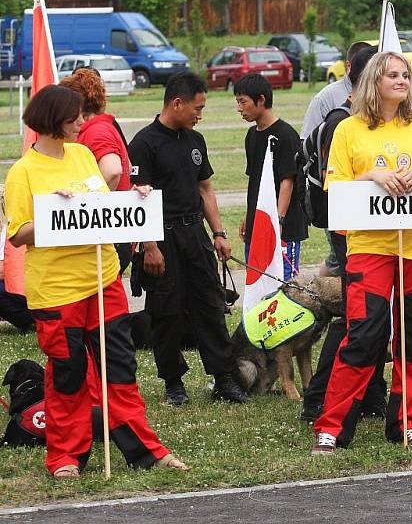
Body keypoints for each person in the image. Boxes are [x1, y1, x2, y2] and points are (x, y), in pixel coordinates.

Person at [4, 84, 187, 477]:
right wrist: (55, 211)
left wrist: (133, 199)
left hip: (103, 281)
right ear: (53, 122)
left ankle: (146, 451)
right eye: (75, 118)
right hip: (56, 290)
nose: (83, 123)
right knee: (67, 377)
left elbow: (101, 208)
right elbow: (18, 234)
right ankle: (65, 457)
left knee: (120, 371)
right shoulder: (24, 172)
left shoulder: (84, 154)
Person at [311, 51, 412, 454]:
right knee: (365, 335)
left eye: (405, 74)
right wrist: (370, 175)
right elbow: (334, 188)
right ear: (374, 80)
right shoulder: (348, 130)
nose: (401, 80)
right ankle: (333, 425)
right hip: (370, 247)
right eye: (392, 74)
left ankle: (405, 420)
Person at [128, 72, 247, 407]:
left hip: (194, 233)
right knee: (167, 312)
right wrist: (149, 247)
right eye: (197, 107)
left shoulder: (195, 141)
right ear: (176, 103)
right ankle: (173, 383)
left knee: (210, 304)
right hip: (161, 236)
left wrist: (219, 233)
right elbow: (138, 200)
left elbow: (205, 188)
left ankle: (224, 377)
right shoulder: (144, 143)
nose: (200, 114)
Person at [300, 45, 387, 424]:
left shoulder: (372, 120)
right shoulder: (342, 122)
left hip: (379, 230)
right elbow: (334, 183)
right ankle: (319, 398)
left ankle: (370, 393)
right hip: (353, 233)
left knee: (371, 318)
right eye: (389, 76)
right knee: (358, 319)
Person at [302, 41, 371, 279]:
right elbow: (312, 150)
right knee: (345, 265)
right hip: (342, 210)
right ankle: (318, 297)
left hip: (372, 211)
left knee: (342, 265)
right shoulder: (336, 112)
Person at [59, 68, 135, 271]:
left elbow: (113, 171)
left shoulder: (96, 131)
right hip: (114, 236)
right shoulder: (106, 126)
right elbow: (126, 167)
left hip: (107, 237)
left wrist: (86, 210)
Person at [235, 74, 308, 279]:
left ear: (261, 100)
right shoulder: (251, 135)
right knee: (257, 278)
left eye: (243, 102)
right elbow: (255, 180)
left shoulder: (285, 135)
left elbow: (288, 182)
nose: (239, 108)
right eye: (237, 102)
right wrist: (249, 217)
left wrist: (277, 221)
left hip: (282, 226)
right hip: (257, 223)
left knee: (284, 281)